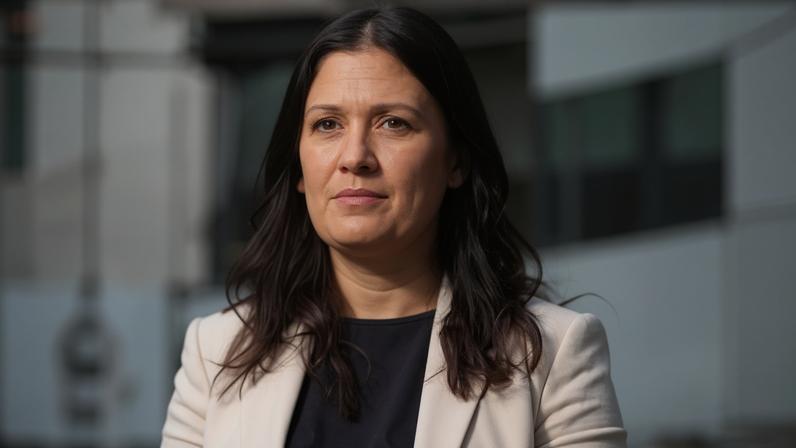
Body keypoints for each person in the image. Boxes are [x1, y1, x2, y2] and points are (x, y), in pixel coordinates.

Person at [161, 6, 626, 448]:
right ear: (299, 169)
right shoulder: (217, 349)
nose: (355, 157)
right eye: (327, 124)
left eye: (393, 123)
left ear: (456, 161)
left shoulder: (550, 352)